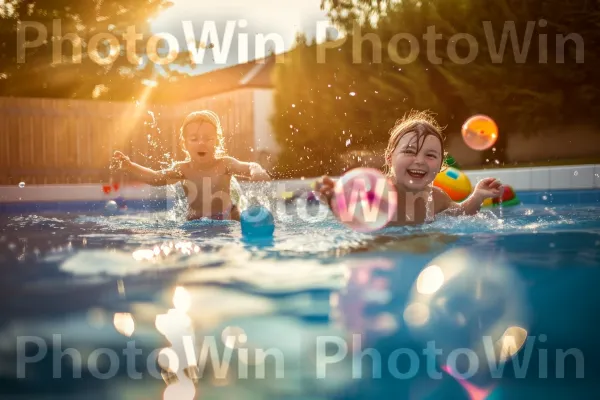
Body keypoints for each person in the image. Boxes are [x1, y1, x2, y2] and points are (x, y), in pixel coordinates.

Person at [315, 110, 503, 226]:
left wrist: (478, 196)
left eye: (430, 155)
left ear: (440, 166)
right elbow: (355, 216)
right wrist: (336, 202)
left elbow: (461, 213)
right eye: (410, 152)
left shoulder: (436, 198)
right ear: (389, 158)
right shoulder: (378, 193)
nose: (420, 161)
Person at [111, 110, 271, 221]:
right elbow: (156, 178)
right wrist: (130, 166)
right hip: (196, 222)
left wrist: (257, 171)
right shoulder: (183, 169)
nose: (201, 143)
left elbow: (248, 166)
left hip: (228, 218)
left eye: (208, 139)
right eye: (194, 139)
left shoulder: (225, 164)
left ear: (217, 141)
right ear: (184, 144)